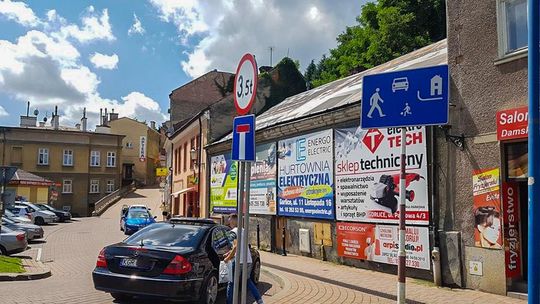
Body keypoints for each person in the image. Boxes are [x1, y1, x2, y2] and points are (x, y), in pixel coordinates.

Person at [224, 214, 264, 304]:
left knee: (231, 283)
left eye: (230, 220)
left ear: (234, 221)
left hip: (238, 261)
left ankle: (229, 302)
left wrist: (228, 258)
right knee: (248, 281)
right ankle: (259, 300)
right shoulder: (243, 230)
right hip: (248, 260)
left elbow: (235, 247)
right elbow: (241, 246)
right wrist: (229, 253)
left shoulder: (233, 232)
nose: (229, 222)